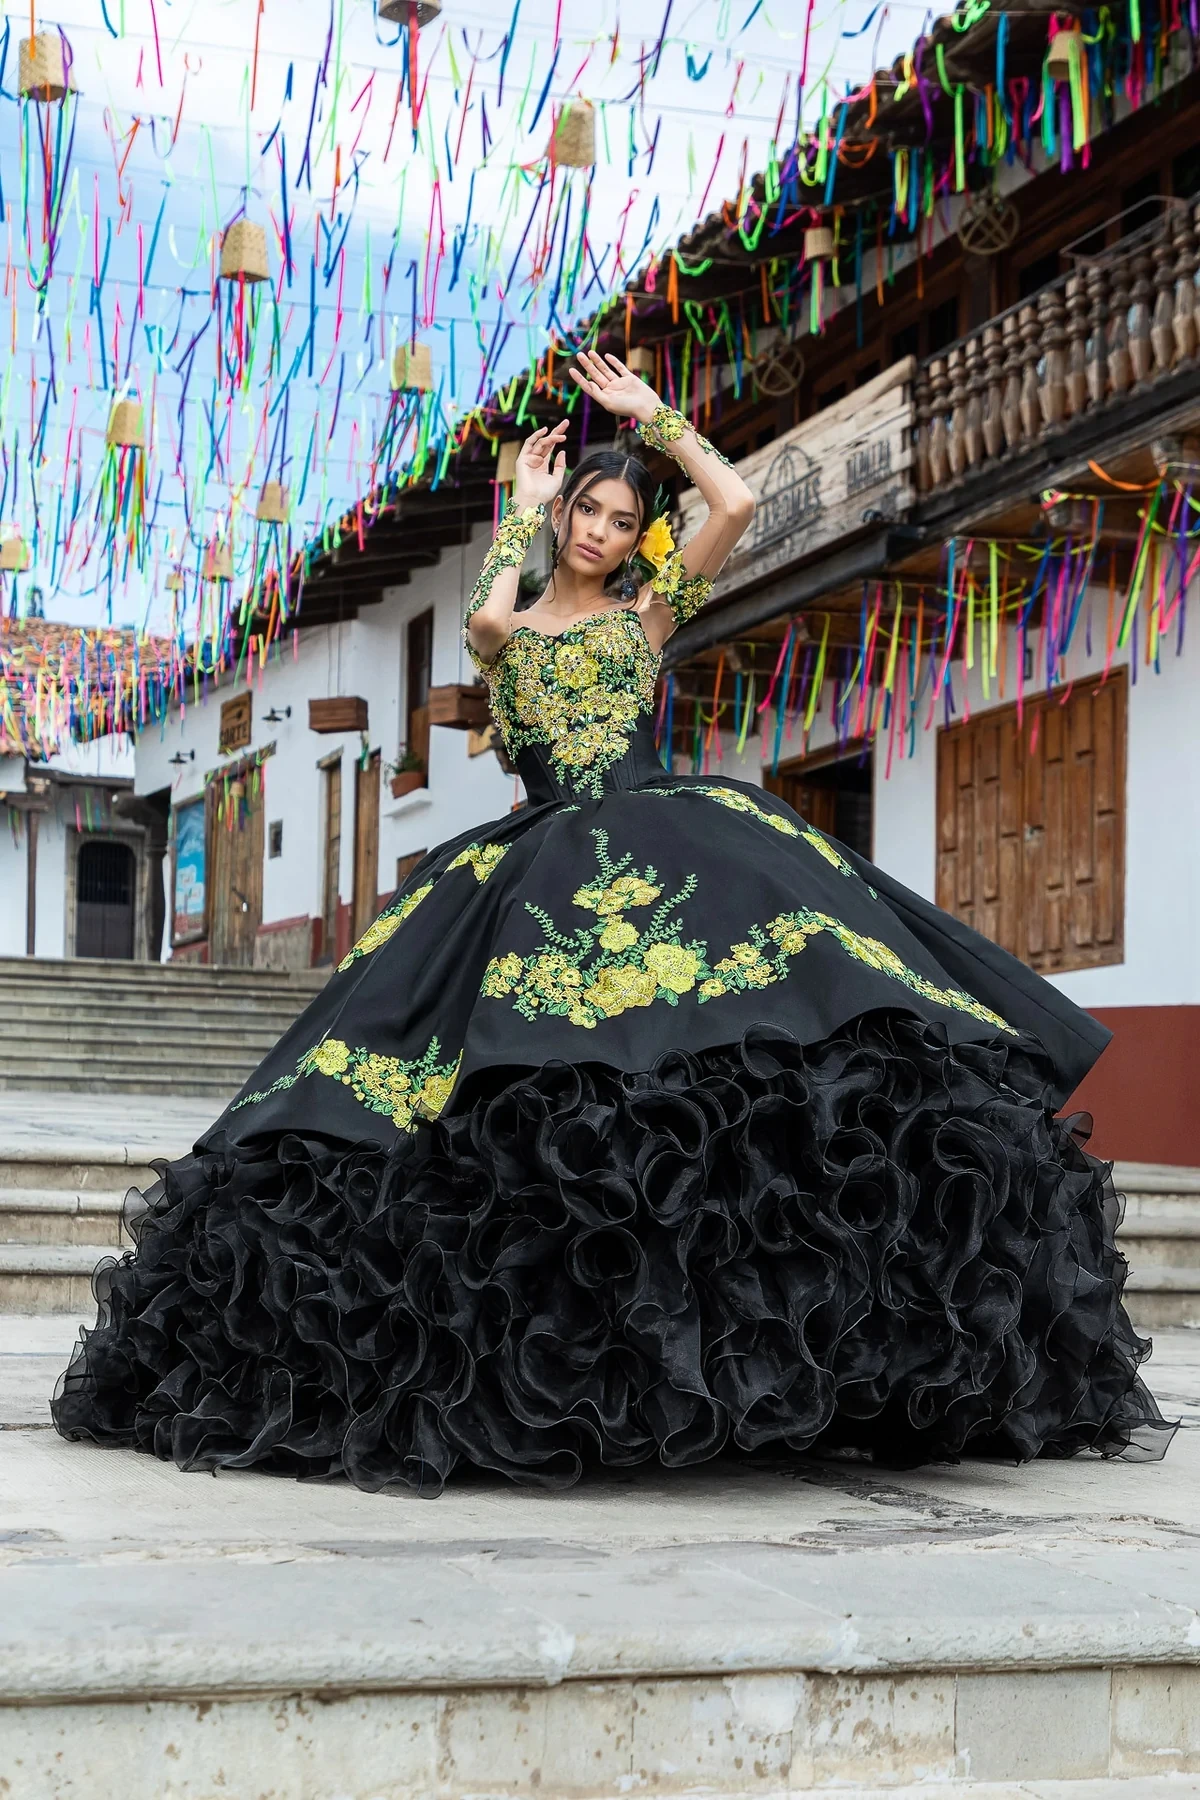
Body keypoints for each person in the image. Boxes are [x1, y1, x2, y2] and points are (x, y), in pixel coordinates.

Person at [53, 352, 1172, 1493]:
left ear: (641, 538)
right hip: (538, 861)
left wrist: (659, 420)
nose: (600, 528)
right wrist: (518, 517)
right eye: (588, 509)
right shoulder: (511, 635)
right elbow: (487, 617)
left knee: (758, 1055)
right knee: (512, 1085)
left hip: (667, 837)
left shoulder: (646, 621)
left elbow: (733, 505)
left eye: (621, 517)